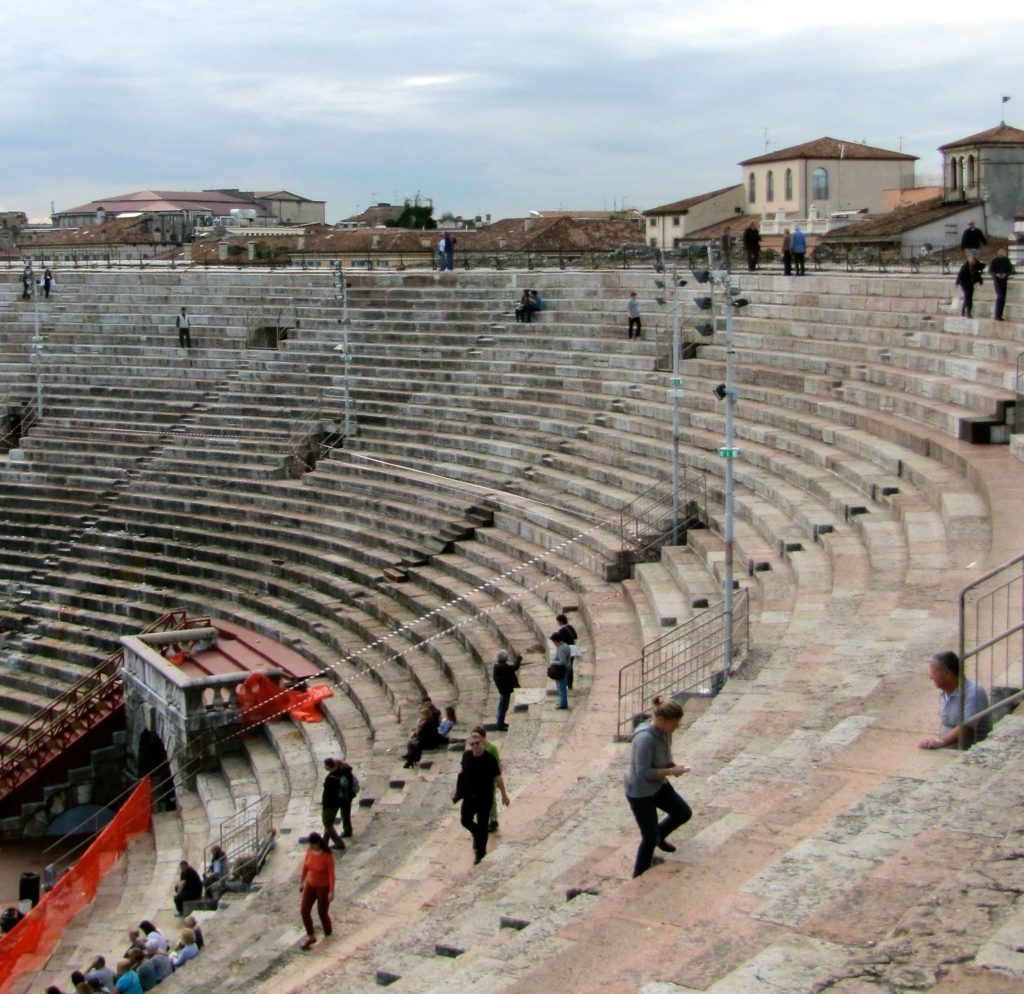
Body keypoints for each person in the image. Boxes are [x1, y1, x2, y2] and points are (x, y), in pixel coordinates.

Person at [624, 696, 692, 877]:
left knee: (682, 812)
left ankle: (659, 836)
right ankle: (639, 874)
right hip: (640, 792)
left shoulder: (665, 732)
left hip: (658, 784)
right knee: (648, 837)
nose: (677, 726)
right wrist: (670, 772)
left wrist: (671, 765)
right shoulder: (645, 739)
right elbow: (643, 772)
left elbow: (663, 755)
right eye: (674, 722)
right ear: (662, 720)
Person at [453, 730, 509, 864]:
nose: (475, 746)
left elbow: (498, 778)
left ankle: (481, 852)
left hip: (485, 797)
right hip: (469, 796)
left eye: (477, 743)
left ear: (482, 743)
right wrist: (456, 790)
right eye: (472, 744)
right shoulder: (466, 755)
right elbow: (462, 772)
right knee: (465, 819)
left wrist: (504, 795)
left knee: (483, 824)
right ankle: (477, 834)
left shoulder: (489, 759)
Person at [919, 650, 991, 750]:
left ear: (947, 674)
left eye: (934, 672)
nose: (930, 677)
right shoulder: (944, 692)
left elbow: (966, 728)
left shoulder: (974, 692)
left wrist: (940, 742)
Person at [298, 832, 334, 950]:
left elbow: (331, 875)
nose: (310, 846)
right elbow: (306, 866)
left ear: (318, 844)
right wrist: (302, 881)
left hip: (323, 887)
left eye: (312, 844)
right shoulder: (309, 851)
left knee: (322, 912)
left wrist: (331, 891)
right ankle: (311, 936)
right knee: (304, 910)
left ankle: (328, 934)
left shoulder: (327, 856)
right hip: (311, 884)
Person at [320, 759, 348, 850]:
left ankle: (339, 843)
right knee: (328, 823)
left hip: (330, 804)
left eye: (325, 765)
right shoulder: (338, 774)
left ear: (328, 766)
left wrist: (324, 804)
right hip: (336, 803)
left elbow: (328, 794)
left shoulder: (331, 778)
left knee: (327, 823)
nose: (324, 766)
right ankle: (324, 843)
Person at [492, 650, 522, 729]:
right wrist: (518, 658)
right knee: (503, 707)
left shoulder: (497, 666)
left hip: (502, 689)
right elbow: (515, 667)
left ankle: (501, 722)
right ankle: (500, 725)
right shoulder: (504, 667)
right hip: (505, 690)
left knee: (502, 706)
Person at [988, 247, 1014, 321]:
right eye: (1001, 251)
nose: (1002, 252)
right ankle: (997, 315)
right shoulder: (994, 260)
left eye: (1003, 251)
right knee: (1000, 296)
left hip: (1004, 280)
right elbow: (990, 271)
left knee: (1003, 298)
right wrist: (996, 274)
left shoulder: (1006, 260)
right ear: (998, 252)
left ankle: (999, 315)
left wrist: (1005, 274)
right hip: (997, 281)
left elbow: (1010, 270)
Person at [554, 613, 579, 689]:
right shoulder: (570, 627)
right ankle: (570, 684)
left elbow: (559, 642)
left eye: (558, 621)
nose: (558, 623)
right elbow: (575, 636)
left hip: (566, 650)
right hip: (573, 649)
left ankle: (563, 683)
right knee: (570, 666)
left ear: (561, 621)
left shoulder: (561, 630)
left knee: (564, 667)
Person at [549, 632, 571, 709]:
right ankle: (562, 702)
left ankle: (563, 704)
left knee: (561, 687)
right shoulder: (565, 645)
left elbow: (562, 661)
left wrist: (552, 662)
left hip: (562, 669)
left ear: (556, 640)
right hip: (567, 667)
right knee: (561, 686)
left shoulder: (561, 648)